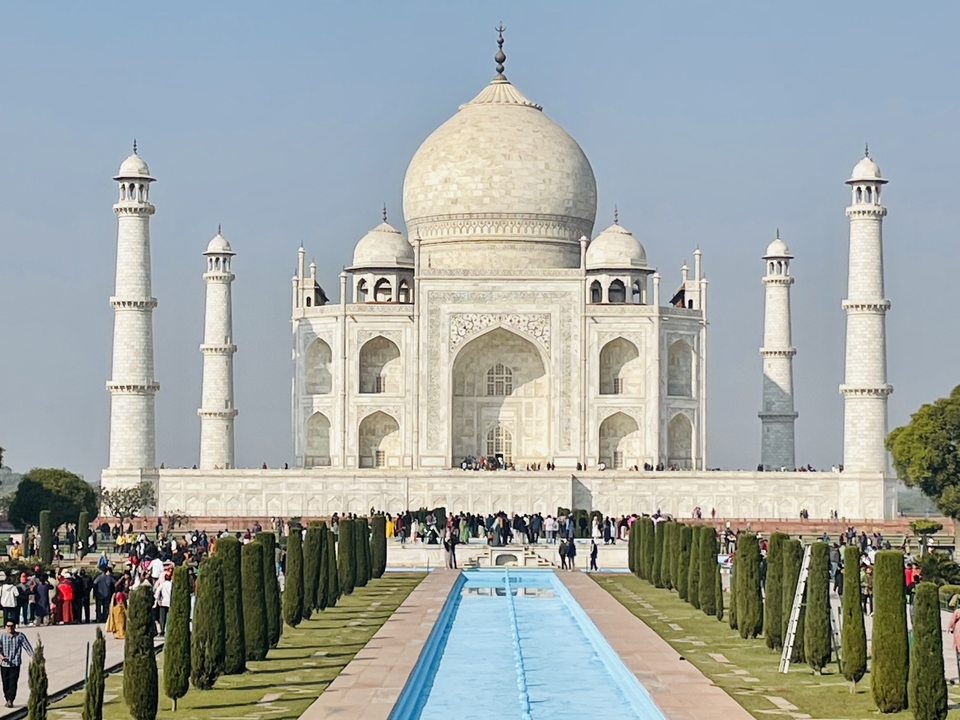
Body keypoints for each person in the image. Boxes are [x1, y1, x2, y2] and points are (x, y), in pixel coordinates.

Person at [0, 620, 33, 708]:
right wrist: (1, 656)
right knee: (5, 683)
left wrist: (33, 657)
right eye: (8, 626)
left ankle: (11, 700)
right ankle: (7, 699)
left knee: (13, 682)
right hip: (4, 664)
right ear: (5, 627)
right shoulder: (2, 637)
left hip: (15, 663)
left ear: (15, 627)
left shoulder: (20, 636)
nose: (10, 628)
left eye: (11, 626)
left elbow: (27, 646)